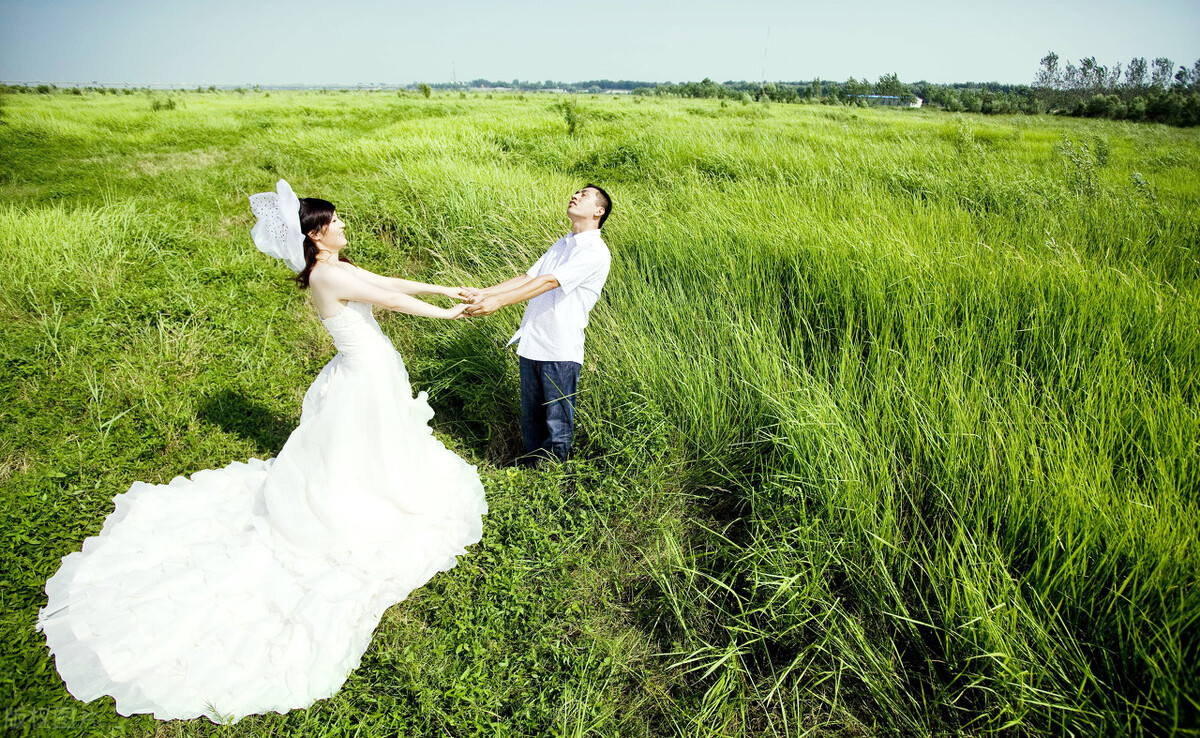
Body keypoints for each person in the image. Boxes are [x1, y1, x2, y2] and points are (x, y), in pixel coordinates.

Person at [36, 180, 488, 723]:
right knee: (361, 441)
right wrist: (450, 315)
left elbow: (387, 281)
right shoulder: (326, 273)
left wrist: (444, 288)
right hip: (363, 375)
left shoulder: (336, 267)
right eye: (336, 220)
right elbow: (390, 300)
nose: (344, 225)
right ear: (317, 234)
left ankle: (373, 483)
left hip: (368, 369)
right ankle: (363, 499)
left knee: (370, 443)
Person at [463, 184, 612, 465]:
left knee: (557, 425)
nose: (576, 195)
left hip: (560, 349)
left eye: (585, 195)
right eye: (576, 191)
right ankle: (529, 472)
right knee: (531, 420)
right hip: (533, 342)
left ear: (598, 211)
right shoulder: (564, 243)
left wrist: (499, 303)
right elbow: (529, 277)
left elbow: (548, 282)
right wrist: (484, 293)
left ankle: (548, 479)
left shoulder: (595, 252)